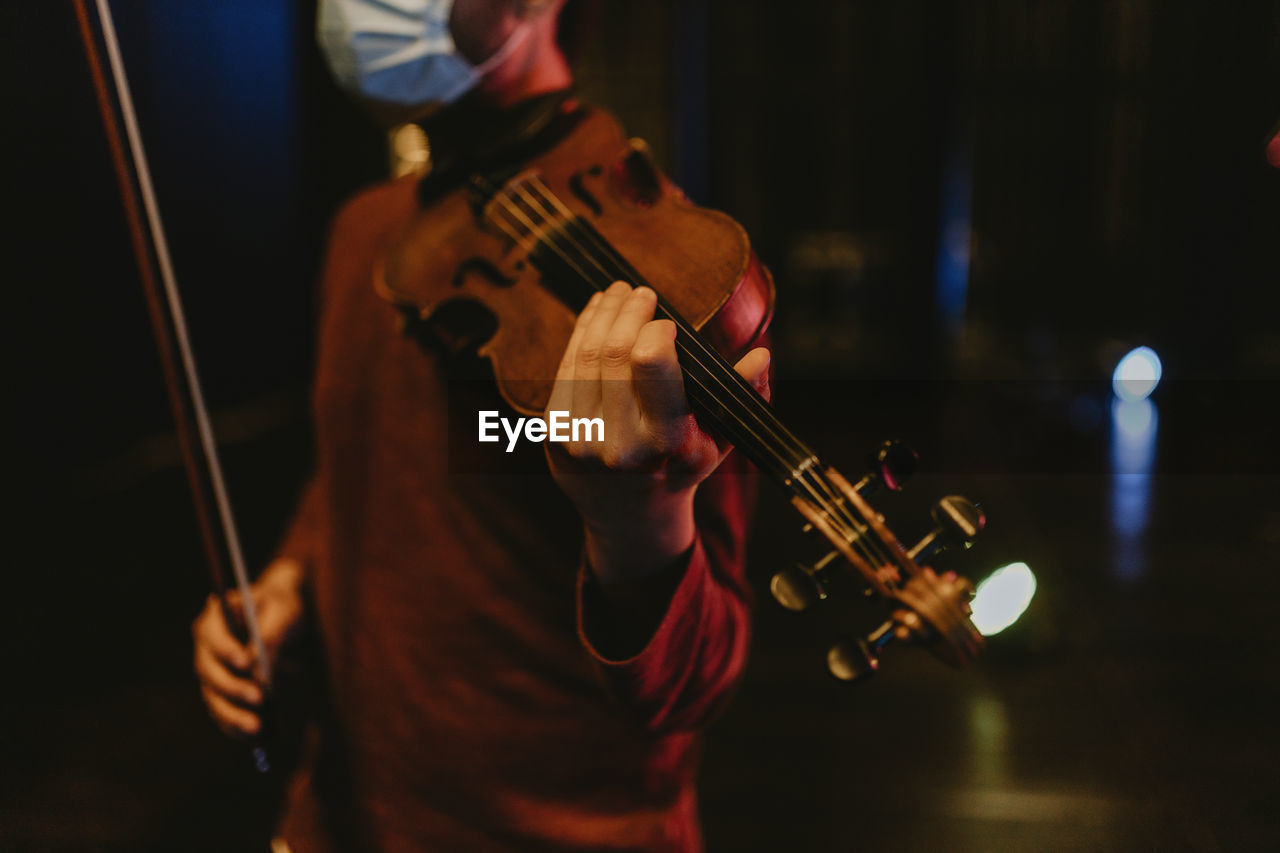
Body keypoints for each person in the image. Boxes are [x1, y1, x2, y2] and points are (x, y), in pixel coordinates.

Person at [192, 1, 773, 849]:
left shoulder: (673, 269)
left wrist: (639, 523)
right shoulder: (365, 231)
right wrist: (288, 578)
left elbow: (701, 678)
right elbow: (358, 464)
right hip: (338, 817)